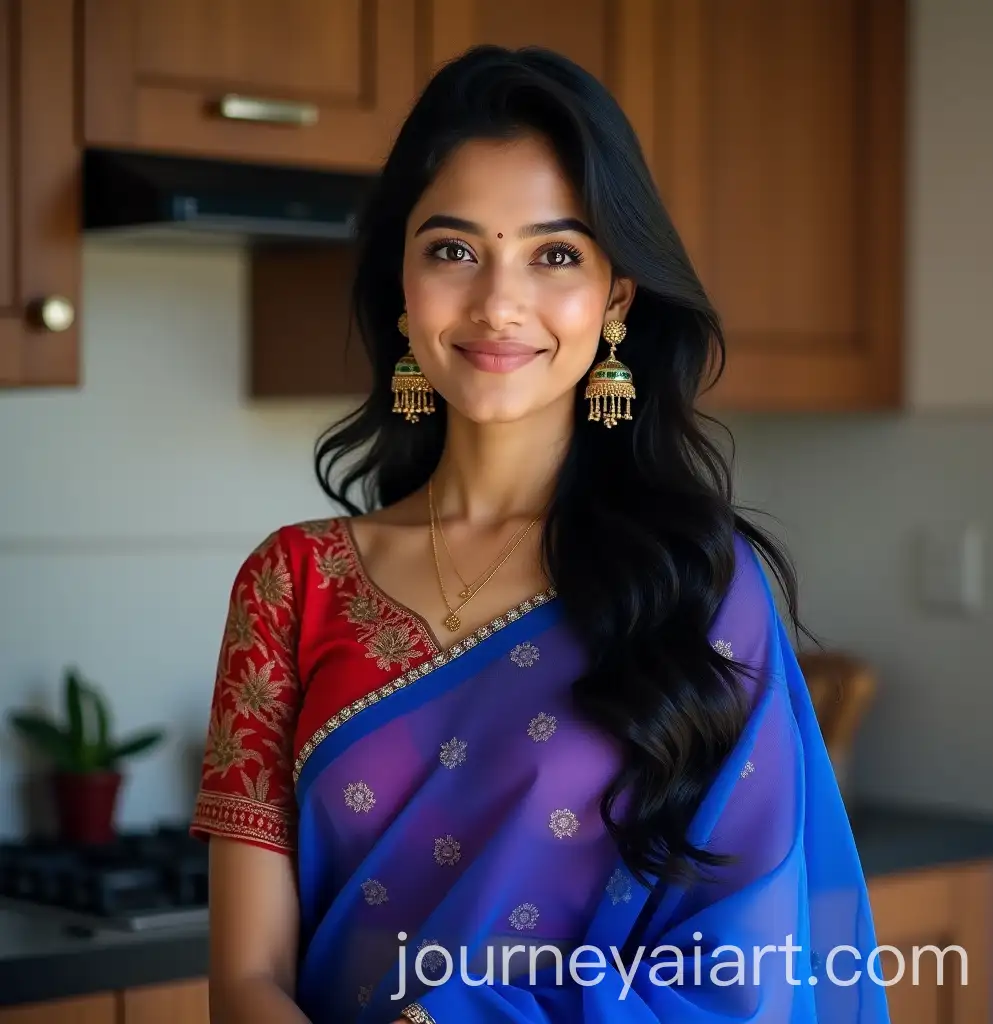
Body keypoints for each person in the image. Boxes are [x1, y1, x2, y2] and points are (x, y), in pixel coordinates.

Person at [190, 45, 891, 1024]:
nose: (496, 303)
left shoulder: (696, 584)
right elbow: (245, 980)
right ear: (402, 277)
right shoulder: (292, 583)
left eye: (554, 254)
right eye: (452, 249)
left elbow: (750, 970)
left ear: (616, 296)